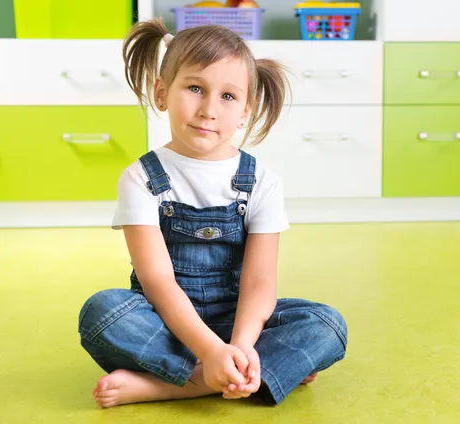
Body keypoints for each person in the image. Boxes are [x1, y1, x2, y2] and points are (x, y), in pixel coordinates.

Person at [77, 17, 348, 409]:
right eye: (194, 88)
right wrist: (210, 350)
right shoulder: (140, 178)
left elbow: (259, 282)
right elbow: (157, 282)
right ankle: (248, 372)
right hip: (164, 318)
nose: (208, 109)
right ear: (161, 92)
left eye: (227, 96)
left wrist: (237, 345)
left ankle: (176, 384)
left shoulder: (262, 183)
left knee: (326, 325)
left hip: (237, 320)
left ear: (245, 111)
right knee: (102, 313)